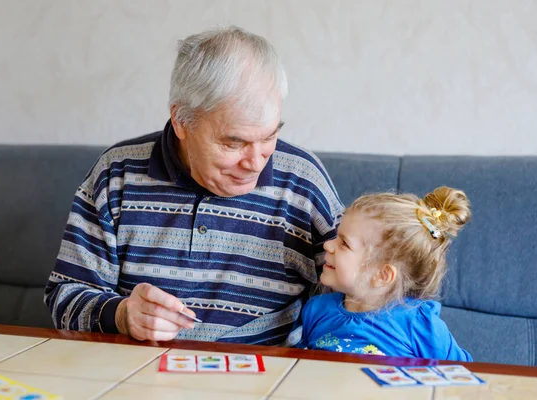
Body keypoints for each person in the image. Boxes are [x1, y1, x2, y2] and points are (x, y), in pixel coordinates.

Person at [44, 26, 343, 346]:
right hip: (142, 379)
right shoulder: (116, 175)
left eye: (269, 136)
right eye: (234, 142)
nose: (257, 162)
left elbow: (362, 295)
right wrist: (121, 314)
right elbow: (65, 298)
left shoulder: (302, 180)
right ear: (182, 121)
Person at [301, 186, 472, 361]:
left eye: (344, 243)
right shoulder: (316, 310)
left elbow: (463, 374)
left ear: (382, 275)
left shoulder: (419, 325)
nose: (328, 245)